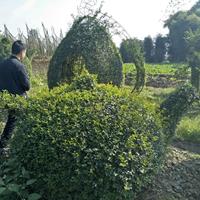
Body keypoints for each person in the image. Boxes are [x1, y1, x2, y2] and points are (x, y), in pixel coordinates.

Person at [0, 40, 30, 151]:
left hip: (5, 98)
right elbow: (27, 86)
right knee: (20, 120)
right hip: (18, 100)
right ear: (22, 52)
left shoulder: (2, 63)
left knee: (11, 120)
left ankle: (3, 143)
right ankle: (5, 144)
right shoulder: (19, 66)